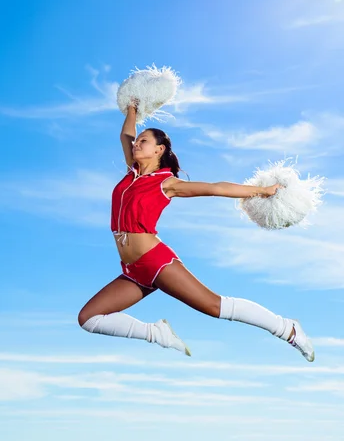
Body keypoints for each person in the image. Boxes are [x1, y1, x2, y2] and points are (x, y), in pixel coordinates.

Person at [77, 103, 315, 362]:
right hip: (132, 270)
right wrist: (133, 107)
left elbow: (215, 188)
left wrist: (262, 191)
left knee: (214, 306)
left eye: (143, 141)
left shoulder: (166, 183)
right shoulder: (131, 173)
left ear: (159, 149)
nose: (136, 144)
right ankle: (157, 333)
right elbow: (126, 135)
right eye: (137, 141)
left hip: (155, 262)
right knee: (88, 318)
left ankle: (288, 329)